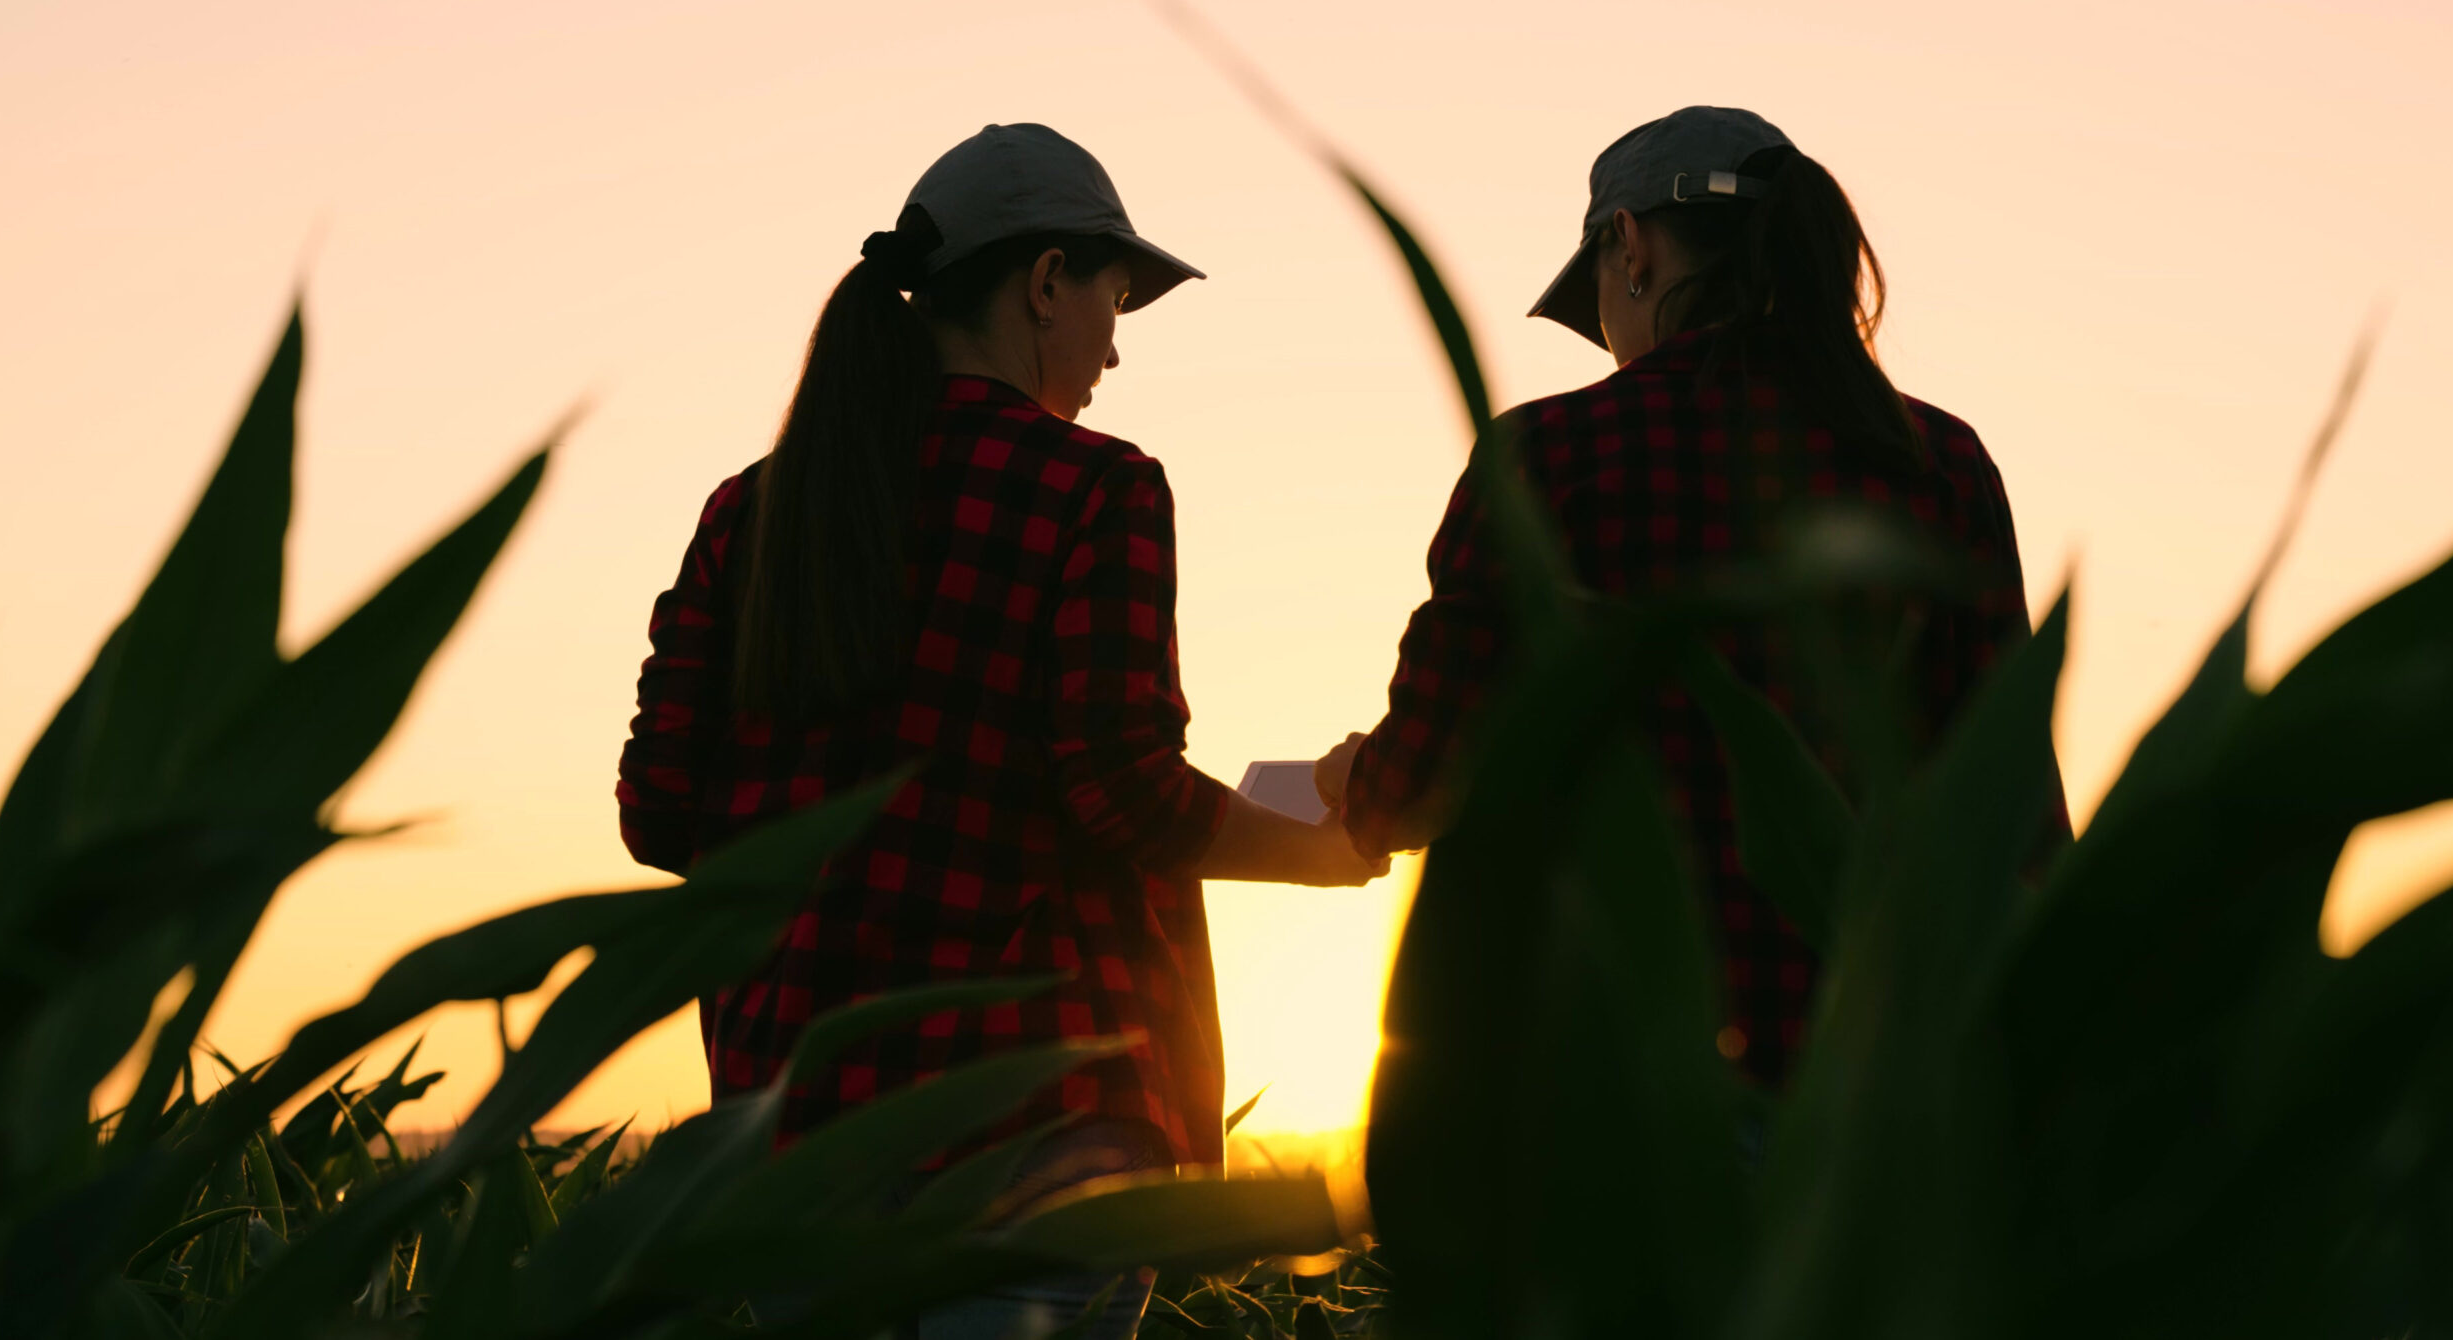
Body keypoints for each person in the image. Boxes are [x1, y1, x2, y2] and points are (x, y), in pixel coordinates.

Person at [617, 123, 1383, 1338]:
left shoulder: (746, 513)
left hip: (797, 1136)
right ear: (1042, 285)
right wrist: (1325, 841)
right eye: (1113, 297)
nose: (1115, 347)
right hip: (1033, 1127)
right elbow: (1120, 791)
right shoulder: (1095, 486)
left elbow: (658, 809)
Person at [1314, 106, 2035, 1090]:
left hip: (1622, 1099)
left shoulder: (1554, 455)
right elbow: (2010, 802)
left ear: (1630, 245)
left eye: (1602, 291)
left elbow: (1420, 780)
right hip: (1880, 1095)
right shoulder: (1942, 462)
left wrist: (1353, 780)